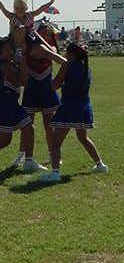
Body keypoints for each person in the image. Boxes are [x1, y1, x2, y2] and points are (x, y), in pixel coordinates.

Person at [0, 39, 47, 174]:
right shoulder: (5, 66)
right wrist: (23, 64)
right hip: (3, 106)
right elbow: (21, 82)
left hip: (13, 104)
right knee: (5, 140)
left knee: (29, 128)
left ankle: (29, 161)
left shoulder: (11, 64)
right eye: (6, 50)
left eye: (11, 49)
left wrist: (22, 63)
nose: (10, 52)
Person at [39, 43, 109, 182]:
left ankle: (55, 173)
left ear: (71, 54)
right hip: (83, 107)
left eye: (66, 52)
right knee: (83, 138)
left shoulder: (67, 65)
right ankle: (100, 165)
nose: (65, 54)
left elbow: (55, 85)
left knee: (55, 143)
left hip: (69, 107)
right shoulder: (86, 67)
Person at [10, 23, 62, 168]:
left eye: (47, 33)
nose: (45, 35)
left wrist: (40, 38)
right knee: (26, 124)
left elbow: (53, 53)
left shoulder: (51, 47)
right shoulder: (28, 46)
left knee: (49, 124)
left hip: (46, 89)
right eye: (42, 32)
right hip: (31, 88)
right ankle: (22, 155)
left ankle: (53, 154)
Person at [0, 0, 66, 65]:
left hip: (31, 38)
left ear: (26, 8)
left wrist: (51, 1)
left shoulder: (30, 15)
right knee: (21, 28)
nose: (19, 10)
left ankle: (66, 62)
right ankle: (18, 52)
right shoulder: (11, 16)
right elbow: (2, 8)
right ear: (14, 8)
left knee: (51, 51)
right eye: (17, 8)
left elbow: (41, 8)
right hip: (14, 40)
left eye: (22, 8)